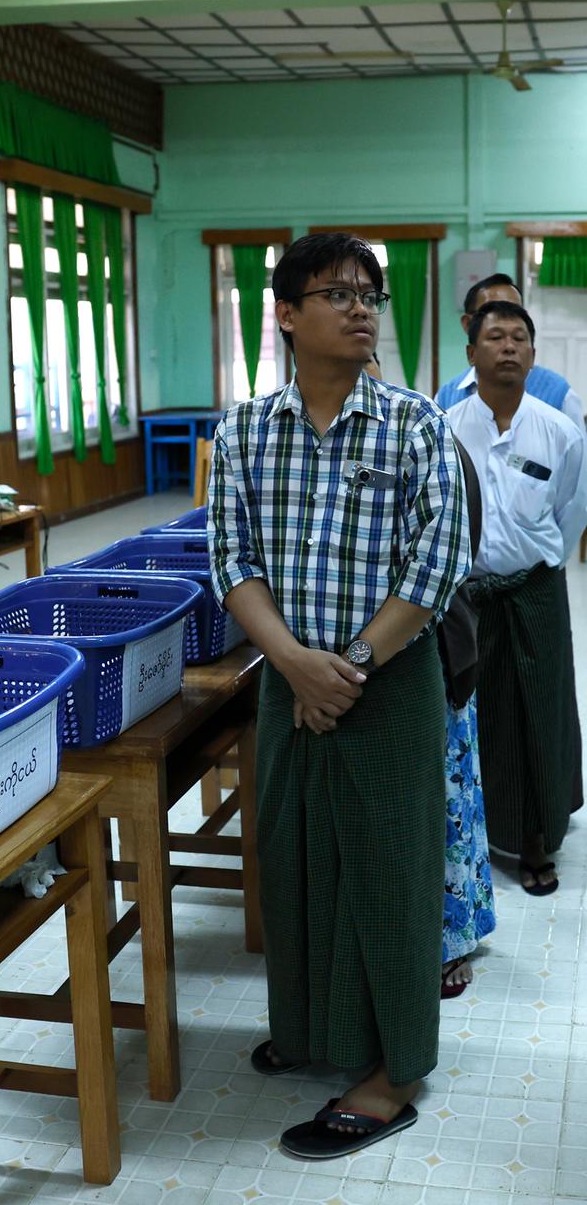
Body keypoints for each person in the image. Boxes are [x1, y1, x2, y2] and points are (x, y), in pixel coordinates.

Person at [208, 233, 469, 1159]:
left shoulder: (415, 423)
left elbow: (437, 564)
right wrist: (292, 664)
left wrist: (345, 665)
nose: (361, 308)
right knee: (297, 856)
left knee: (387, 869)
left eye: (371, 295)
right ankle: (319, 1031)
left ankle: (393, 1073)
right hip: (289, 684)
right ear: (285, 314)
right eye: (337, 293)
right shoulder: (242, 430)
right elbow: (231, 561)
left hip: (389, 685)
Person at [364, 354, 495, 998]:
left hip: (432, 650)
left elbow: (453, 555)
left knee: (446, 794)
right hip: (357, 665)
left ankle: (453, 939)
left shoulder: (428, 436)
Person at [447, 300, 587, 895]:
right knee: (475, 712)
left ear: (533, 354)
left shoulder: (560, 432)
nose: (509, 346)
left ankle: (536, 838)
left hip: (535, 594)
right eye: (496, 336)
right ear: (472, 352)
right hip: (469, 596)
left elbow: (571, 513)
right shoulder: (446, 427)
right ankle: (478, 830)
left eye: (520, 338)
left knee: (539, 711)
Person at [435, 273, 585, 430]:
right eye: (490, 311)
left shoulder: (559, 395)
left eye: (514, 312)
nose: (505, 319)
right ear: (468, 324)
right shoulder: (447, 397)